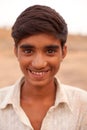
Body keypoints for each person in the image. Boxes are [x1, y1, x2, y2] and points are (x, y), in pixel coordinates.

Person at [0, 4, 87, 130]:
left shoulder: (83, 106)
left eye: (50, 51)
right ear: (16, 52)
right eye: (28, 51)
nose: (39, 64)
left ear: (64, 52)